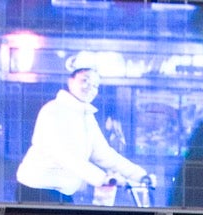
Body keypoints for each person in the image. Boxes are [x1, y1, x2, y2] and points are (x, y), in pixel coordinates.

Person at [15, 52, 147, 202]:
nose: (90, 88)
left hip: (62, 193)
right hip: (36, 190)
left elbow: (104, 154)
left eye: (95, 85)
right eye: (85, 80)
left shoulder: (86, 116)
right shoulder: (53, 110)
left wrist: (139, 175)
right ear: (70, 81)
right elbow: (63, 155)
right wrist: (101, 178)